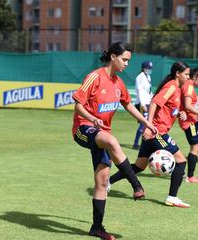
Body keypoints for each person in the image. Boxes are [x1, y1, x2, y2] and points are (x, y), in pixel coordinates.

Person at [72, 42, 157, 240]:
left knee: (102, 183)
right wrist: (92, 118)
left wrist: (146, 122)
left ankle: (97, 228)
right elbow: (77, 105)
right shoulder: (94, 77)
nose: (127, 63)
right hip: (83, 129)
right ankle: (136, 185)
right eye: (124, 59)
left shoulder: (118, 83)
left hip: (102, 133)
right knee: (111, 141)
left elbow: (128, 105)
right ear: (113, 57)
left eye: (129, 60)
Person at [109, 61, 191, 208]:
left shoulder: (177, 88)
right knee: (181, 161)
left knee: (140, 166)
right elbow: (154, 103)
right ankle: (172, 197)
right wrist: (149, 126)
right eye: (186, 74)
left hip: (154, 131)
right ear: (178, 74)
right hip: (157, 131)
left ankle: (108, 182)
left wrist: (180, 113)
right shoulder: (171, 86)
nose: (188, 77)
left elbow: (168, 108)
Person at [133, 60, 154, 149]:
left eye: (150, 68)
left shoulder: (148, 77)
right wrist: (142, 104)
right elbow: (139, 91)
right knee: (144, 123)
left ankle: (144, 143)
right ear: (143, 68)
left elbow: (149, 91)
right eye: (148, 68)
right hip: (142, 103)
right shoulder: (140, 77)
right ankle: (136, 144)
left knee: (147, 122)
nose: (149, 70)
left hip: (148, 102)